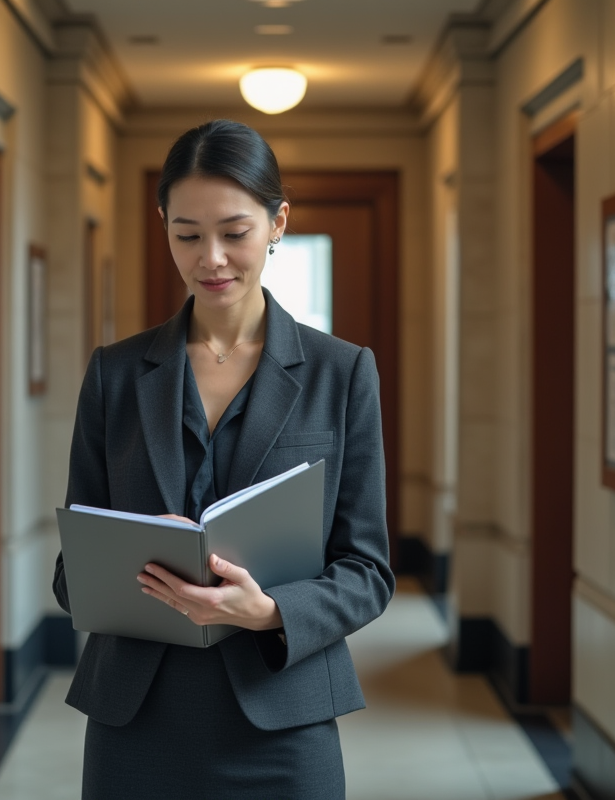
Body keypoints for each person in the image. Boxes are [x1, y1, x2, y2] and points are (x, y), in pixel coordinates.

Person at [53, 118, 394, 799]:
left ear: (277, 223)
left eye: (234, 232)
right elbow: (73, 572)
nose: (211, 258)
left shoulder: (342, 373)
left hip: (283, 719)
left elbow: (367, 572)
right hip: (136, 720)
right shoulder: (116, 375)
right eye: (187, 234)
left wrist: (266, 611)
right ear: (164, 226)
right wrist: (133, 570)